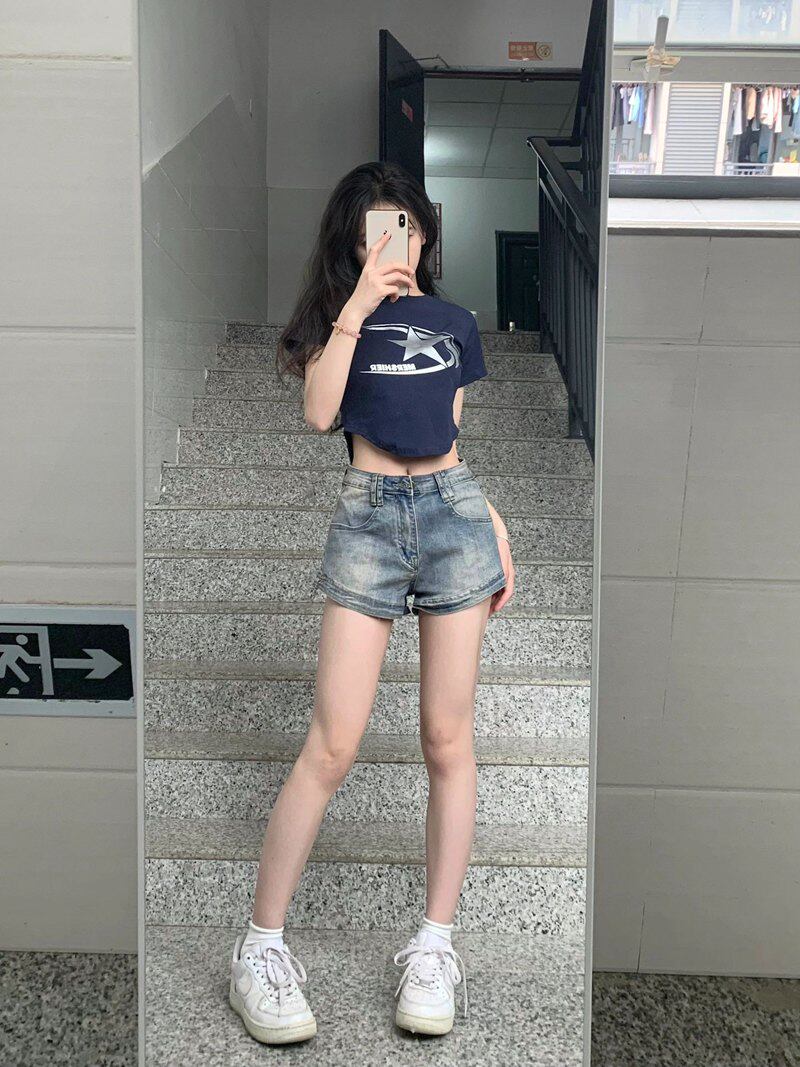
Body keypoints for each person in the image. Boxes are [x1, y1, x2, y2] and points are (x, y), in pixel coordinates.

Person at [228, 161, 515, 1045]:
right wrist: (356, 306)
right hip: (367, 518)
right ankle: (259, 948)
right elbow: (321, 415)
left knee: (447, 738)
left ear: (425, 233)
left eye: (406, 228)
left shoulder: (455, 324)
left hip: (454, 514)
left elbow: (449, 435)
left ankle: (434, 946)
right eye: (375, 233)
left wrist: (494, 523)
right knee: (334, 741)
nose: (395, 245)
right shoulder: (336, 321)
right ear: (352, 245)